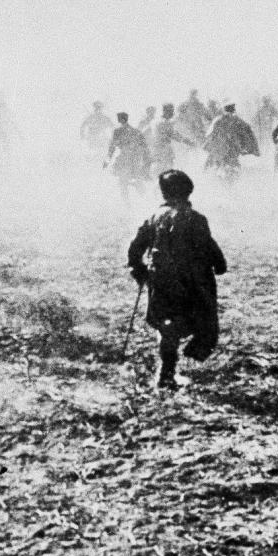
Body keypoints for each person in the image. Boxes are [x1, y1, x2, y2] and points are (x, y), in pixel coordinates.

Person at [126, 170, 227, 391]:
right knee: (199, 317)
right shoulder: (196, 219)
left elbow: (135, 248)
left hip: (160, 280)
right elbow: (209, 246)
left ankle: (166, 372)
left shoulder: (154, 217)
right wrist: (219, 264)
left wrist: (139, 269)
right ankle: (176, 366)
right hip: (189, 282)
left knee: (166, 325)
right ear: (187, 192)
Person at [203, 103, 259, 181]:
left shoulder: (218, 120)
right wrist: (254, 149)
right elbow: (249, 132)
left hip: (220, 150)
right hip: (233, 150)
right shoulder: (238, 120)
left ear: (224, 110)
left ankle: (206, 178)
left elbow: (209, 135)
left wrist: (207, 146)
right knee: (234, 168)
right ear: (233, 110)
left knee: (211, 165)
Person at [105, 112, 151, 203]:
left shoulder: (117, 132)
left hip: (124, 160)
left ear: (120, 120)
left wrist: (107, 160)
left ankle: (127, 204)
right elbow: (144, 146)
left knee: (123, 183)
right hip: (134, 160)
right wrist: (146, 159)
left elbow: (112, 147)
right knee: (137, 181)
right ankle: (146, 200)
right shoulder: (135, 131)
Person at [150, 103, 194, 174]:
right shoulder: (164, 122)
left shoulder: (156, 121)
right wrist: (187, 141)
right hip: (163, 150)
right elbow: (174, 135)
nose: (173, 113)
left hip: (157, 149)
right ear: (166, 111)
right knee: (165, 170)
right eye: (171, 111)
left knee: (160, 169)